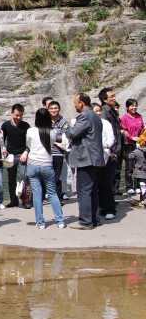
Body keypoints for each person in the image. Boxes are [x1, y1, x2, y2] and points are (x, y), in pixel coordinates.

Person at [19, 108, 66, 230]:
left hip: (33, 164)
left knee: (37, 194)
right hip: (47, 165)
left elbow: (29, 145)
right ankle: (60, 220)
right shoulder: (53, 132)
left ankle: (40, 223)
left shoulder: (30, 131)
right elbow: (51, 144)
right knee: (52, 193)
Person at [66, 93, 105, 229]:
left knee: (84, 190)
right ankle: (94, 219)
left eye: (75, 102)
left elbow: (72, 133)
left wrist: (67, 128)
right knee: (92, 190)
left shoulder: (85, 116)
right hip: (96, 158)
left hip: (86, 159)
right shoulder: (96, 116)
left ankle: (86, 221)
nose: (74, 105)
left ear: (81, 103)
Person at [92, 102, 117, 220]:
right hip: (91, 157)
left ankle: (110, 209)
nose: (98, 113)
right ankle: (99, 208)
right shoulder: (88, 123)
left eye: (99, 111)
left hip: (104, 155)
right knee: (94, 185)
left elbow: (111, 137)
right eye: (95, 111)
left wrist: (106, 145)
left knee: (105, 184)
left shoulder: (105, 123)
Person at [2, 104, 30, 207]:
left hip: (22, 154)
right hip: (10, 155)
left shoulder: (26, 126)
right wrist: (3, 149)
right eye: (17, 115)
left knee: (25, 177)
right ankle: (13, 200)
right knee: (11, 179)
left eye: (21, 115)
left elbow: (29, 142)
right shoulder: (5, 125)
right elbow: (2, 140)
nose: (19, 117)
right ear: (12, 113)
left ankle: (26, 200)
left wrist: (26, 152)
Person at [98, 86, 123, 194]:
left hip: (115, 149)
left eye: (114, 96)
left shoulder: (112, 111)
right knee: (106, 179)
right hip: (109, 150)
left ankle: (110, 201)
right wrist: (111, 150)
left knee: (112, 177)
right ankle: (105, 204)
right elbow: (104, 134)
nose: (114, 98)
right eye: (111, 96)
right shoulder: (104, 112)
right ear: (104, 100)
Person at [121, 99, 144, 194]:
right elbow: (123, 131)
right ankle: (129, 186)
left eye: (135, 105)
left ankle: (138, 185)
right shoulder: (125, 118)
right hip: (128, 144)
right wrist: (131, 137)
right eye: (132, 106)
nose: (134, 107)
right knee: (129, 165)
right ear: (127, 107)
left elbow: (142, 129)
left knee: (139, 165)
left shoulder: (139, 116)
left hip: (139, 143)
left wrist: (141, 139)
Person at [47, 99, 69, 200]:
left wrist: (53, 140)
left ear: (59, 109)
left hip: (59, 153)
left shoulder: (64, 122)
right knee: (48, 175)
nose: (53, 110)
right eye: (51, 108)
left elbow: (64, 137)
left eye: (55, 108)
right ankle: (52, 194)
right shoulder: (45, 121)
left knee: (57, 176)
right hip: (46, 153)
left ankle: (57, 196)